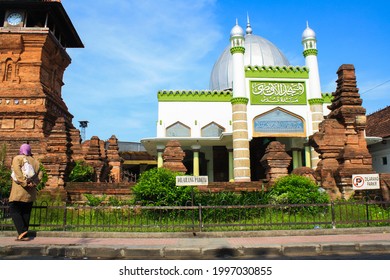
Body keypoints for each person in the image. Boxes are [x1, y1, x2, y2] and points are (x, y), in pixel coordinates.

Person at [9, 143, 42, 241]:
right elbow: (40, 175)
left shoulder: (17, 158)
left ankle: (21, 231)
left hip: (19, 191)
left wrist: (24, 183)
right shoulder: (35, 161)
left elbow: (17, 171)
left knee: (14, 210)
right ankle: (24, 234)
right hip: (30, 192)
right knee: (26, 212)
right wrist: (34, 184)